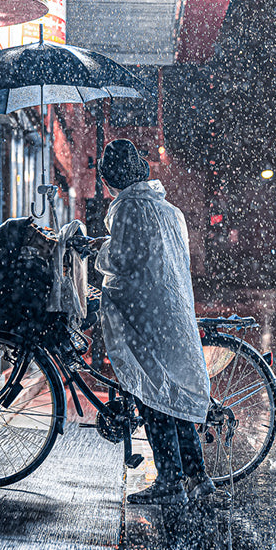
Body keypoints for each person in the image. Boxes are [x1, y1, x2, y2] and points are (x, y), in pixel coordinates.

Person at [94, 138, 215, 506]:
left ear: (112, 177)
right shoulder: (168, 210)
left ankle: (170, 481)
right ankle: (197, 476)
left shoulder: (129, 208)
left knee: (155, 397)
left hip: (146, 318)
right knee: (175, 395)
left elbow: (122, 260)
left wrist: (97, 250)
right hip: (173, 316)